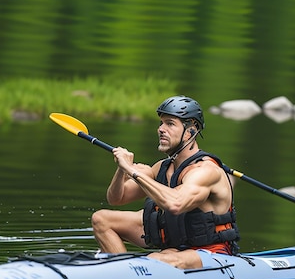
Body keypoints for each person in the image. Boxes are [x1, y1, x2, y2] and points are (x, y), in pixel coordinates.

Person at [91, 95, 240, 269]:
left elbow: (176, 203)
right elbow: (117, 198)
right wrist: (122, 169)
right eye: (161, 123)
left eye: (170, 124)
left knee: (157, 258)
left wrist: (134, 172)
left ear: (191, 130)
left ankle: (129, 274)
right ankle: (123, 273)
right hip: (175, 249)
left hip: (212, 254)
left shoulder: (205, 171)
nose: (161, 129)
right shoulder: (161, 167)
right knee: (101, 219)